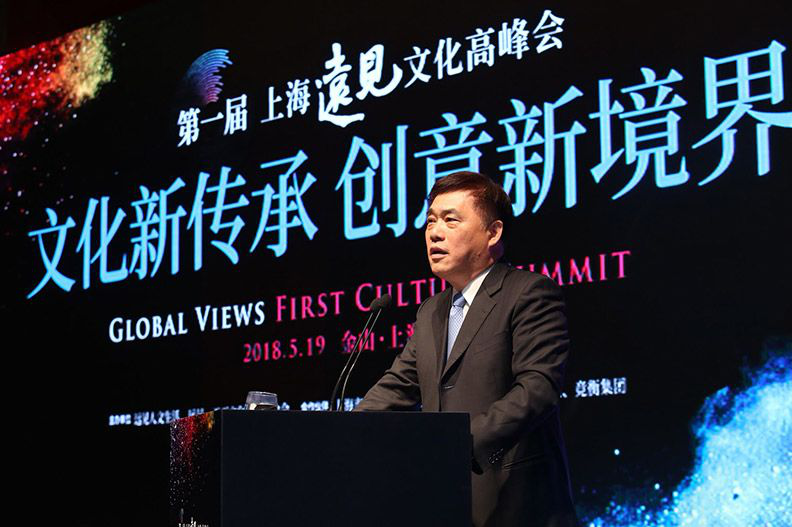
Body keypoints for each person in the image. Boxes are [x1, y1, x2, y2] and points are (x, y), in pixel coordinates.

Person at [355, 171, 578, 527]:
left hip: (516, 507)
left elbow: (538, 389)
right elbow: (396, 387)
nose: (434, 232)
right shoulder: (431, 311)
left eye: (451, 220)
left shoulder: (529, 293)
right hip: (445, 504)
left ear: (493, 232)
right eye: (431, 221)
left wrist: (457, 443)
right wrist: (340, 434)